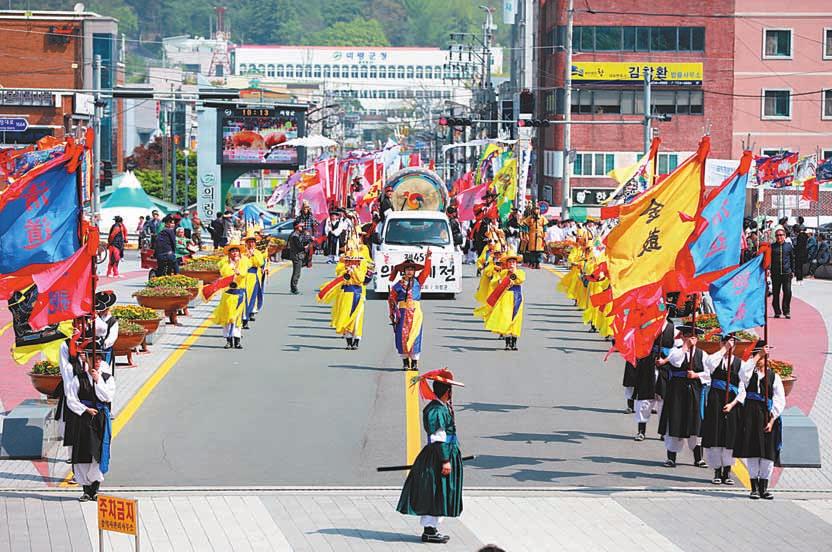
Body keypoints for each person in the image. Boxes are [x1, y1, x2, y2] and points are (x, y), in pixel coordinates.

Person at [397, 368, 465, 544]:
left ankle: (432, 529)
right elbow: (438, 438)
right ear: (446, 392)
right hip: (438, 458)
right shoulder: (436, 410)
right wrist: (445, 461)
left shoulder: (440, 408)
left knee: (439, 491)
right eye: (450, 390)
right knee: (436, 492)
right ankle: (429, 530)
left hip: (442, 455)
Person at [700, 334, 755, 485]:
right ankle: (717, 470)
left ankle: (727, 471)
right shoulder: (714, 358)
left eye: (730, 343)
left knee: (730, 437)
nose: (728, 345)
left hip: (732, 403)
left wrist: (732, 404)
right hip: (715, 401)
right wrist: (724, 349)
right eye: (724, 342)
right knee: (715, 435)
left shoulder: (740, 364)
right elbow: (710, 365)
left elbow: (743, 389)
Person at [66, 337, 115, 502]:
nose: (98, 361)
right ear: (87, 358)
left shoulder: (107, 378)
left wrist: (97, 380)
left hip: (100, 419)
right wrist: (84, 409)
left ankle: (95, 489)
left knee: (98, 453)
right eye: (95, 357)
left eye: (100, 358)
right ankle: (86, 490)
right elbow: (71, 399)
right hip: (84, 420)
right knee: (83, 452)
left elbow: (107, 397)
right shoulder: (78, 378)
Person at [734, 341, 784, 500]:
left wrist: (772, 419)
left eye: (763, 357)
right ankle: (754, 487)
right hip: (750, 414)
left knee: (767, 453)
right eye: (757, 356)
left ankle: (764, 487)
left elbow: (779, 399)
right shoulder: (749, 374)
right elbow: (742, 373)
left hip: (767, 415)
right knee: (753, 451)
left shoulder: (774, 376)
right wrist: (757, 356)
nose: (761, 359)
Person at [656, 325, 710, 468]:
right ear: (683, 337)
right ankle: (671, 457)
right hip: (677, 392)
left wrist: (696, 375)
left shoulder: (702, 354)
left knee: (695, 424)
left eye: (694, 337)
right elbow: (676, 361)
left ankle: (698, 458)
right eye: (688, 337)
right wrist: (685, 346)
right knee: (675, 421)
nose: (692, 339)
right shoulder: (676, 351)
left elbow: (709, 373)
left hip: (695, 392)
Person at [388, 252, 433, 371]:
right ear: (403, 271)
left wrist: (428, 257)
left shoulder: (418, 282)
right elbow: (392, 299)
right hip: (402, 313)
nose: (409, 272)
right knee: (401, 336)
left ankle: (414, 362)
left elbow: (427, 271)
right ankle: (405, 362)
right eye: (407, 269)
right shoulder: (398, 285)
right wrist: (392, 312)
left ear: (414, 271)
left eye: (411, 269)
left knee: (415, 336)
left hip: (416, 313)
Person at [484, 251, 525, 351]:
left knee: (515, 319)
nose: (511, 264)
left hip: (517, 297)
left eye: (513, 262)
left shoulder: (520, 272)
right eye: (510, 262)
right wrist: (499, 281)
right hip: (505, 297)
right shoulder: (503, 273)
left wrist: (513, 273)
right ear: (506, 264)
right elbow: (495, 282)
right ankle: (507, 342)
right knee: (506, 318)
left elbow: (520, 280)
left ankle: (514, 342)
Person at [212, 241, 250, 349]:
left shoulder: (244, 262)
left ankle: (237, 341)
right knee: (227, 317)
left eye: (236, 251)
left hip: (239, 294)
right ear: (229, 253)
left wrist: (238, 271)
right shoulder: (225, 263)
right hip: (228, 294)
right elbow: (224, 274)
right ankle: (228, 340)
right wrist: (231, 267)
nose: (234, 253)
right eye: (232, 251)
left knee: (237, 318)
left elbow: (244, 273)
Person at [242, 232, 266, 328]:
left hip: (253, 276)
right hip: (244, 276)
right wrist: (247, 256)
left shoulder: (257, 253)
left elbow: (260, 263)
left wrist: (253, 255)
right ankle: (243, 317)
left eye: (253, 242)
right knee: (243, 298)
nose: (251, 244)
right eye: (249, 242)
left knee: (251, 298)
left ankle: (247, 316)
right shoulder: (243, 252)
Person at [770, 228, 795, 318]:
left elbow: (792, 259)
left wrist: (793, 271)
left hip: (786, 273)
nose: (779, 237)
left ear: (784, 236)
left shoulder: (788, 246)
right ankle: (777, 311)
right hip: (775, 273)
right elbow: (769, 260)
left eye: (781, 235)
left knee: (787, 292)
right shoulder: (772, 247)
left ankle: (786, 311)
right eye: (777, 235)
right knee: (775, 293)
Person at [94, 291, 119, 373]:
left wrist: (104, 343)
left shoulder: (112, 321)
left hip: (105, 350)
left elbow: (112, 337)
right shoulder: (95, 318)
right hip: (93, 349)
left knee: (104, 370)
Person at [288, 220, 311, 295]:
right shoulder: (294, 235)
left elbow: (302, 242)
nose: (302, 227)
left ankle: (293, 288)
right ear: (296, 227)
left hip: (298, 256)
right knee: (296, 273)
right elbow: (299, 246)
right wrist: (305, 247)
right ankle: (294, 289)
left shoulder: (297, 234)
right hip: (296, 256)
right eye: (300, 226)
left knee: (297, 273)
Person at [295, 201, 318, 268]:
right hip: (301, 234)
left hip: (309, 234)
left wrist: (314, 235)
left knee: (310, 249)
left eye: (307, 208)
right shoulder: (299, 217)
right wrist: (298, 225)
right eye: (304, 208)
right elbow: (295, 225)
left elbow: (315, 226)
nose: (305, 210)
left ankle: (309, 261)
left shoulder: (311, 217)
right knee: (301, 249)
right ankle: (302, 261)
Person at [523, 204, 546, 269]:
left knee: (540, 250)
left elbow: (545, 227)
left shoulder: (542, 218)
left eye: (538, 209)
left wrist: (544, 234)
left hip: (539, 235)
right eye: (535, 209)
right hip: (532, 235)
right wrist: (526, 234)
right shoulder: (529, 218)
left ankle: (538, 263)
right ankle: (533, 263)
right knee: (532, 251)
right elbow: (526, 226)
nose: (536, 211)